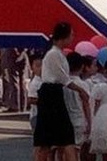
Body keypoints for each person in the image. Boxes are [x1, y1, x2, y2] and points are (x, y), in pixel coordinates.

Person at [34, 22, 90, 161]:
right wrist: (80, 90)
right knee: (47, 140)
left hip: (56, 93)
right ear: (63, 36)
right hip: (50, 94)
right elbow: (62, 77)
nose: (72, 38)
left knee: (64, 137)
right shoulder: (53, 54)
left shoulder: (59, 54)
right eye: (71, 35)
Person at [63, 52, 92, 159]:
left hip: (65, 120)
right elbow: (86, 104)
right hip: (79, 119)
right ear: (82, 66)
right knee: (76, 151)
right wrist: (89, 122)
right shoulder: (83, 85)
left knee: (65, 150)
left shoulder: (62, 84)